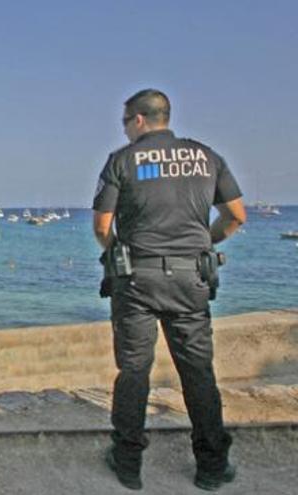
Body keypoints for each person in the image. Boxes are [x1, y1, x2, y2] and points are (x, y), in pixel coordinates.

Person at [92, 89, 246, 491]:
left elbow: (102, 227)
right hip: (189, 280)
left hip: (137, 282)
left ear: (139, 120)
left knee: (134, 372)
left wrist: (121, 253)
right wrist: (204, 244)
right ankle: (211, 466)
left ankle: (127, 463)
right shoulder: (206, 157)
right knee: (198, 373)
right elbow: (236, 216)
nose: (124, 129)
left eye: (126, 122)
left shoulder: (122, 161)